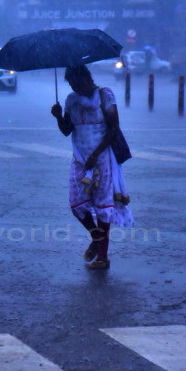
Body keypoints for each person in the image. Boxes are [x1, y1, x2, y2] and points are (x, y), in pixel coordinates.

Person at [51, 65, 134, 269]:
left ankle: (103, 257)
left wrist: (96, 155)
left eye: (77, 82)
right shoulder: (71, 100)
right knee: (76, 204)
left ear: (87, 79)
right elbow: (67, 130)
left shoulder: (105, 95)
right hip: (80, 159)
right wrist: (58, 116)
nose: (75, 87)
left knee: (103, 206)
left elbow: (114, 128)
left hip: (103, 158)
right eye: (71, 84)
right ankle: (96, 238)